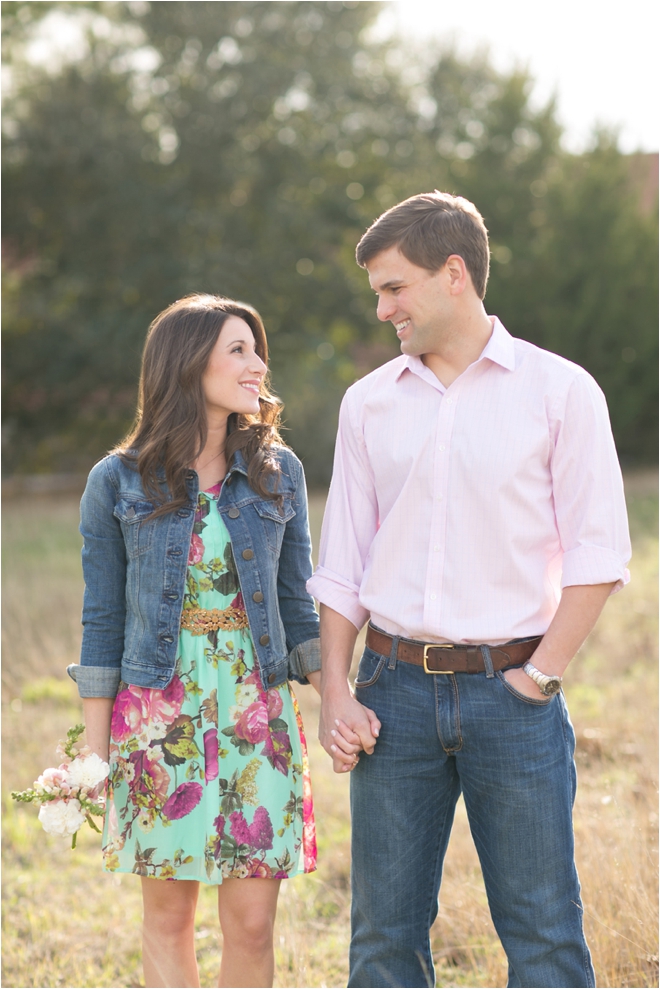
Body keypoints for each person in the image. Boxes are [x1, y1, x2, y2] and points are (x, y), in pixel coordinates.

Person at [308, 192, 631, 989]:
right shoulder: (369, 403)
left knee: (545, 936)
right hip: (391, 697)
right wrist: (336, 694)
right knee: (383, 941)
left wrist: (539, 678)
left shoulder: (561, 393)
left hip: (514, 696)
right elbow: (343, 563)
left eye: (394, 288)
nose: (383, 309)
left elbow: (599, 554)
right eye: (377, 292)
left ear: (454, 274)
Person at [67, 294, 325, 989]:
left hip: (256, 709)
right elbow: (102, 622)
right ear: (189, 363)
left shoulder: (279, 473)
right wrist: (95, 754)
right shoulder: (117, 480)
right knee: (169, 918)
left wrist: (340, 700)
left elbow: (300, 606)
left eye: (256, 347)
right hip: (159, 711)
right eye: (238, 349)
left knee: (250, 922)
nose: (258, 364)